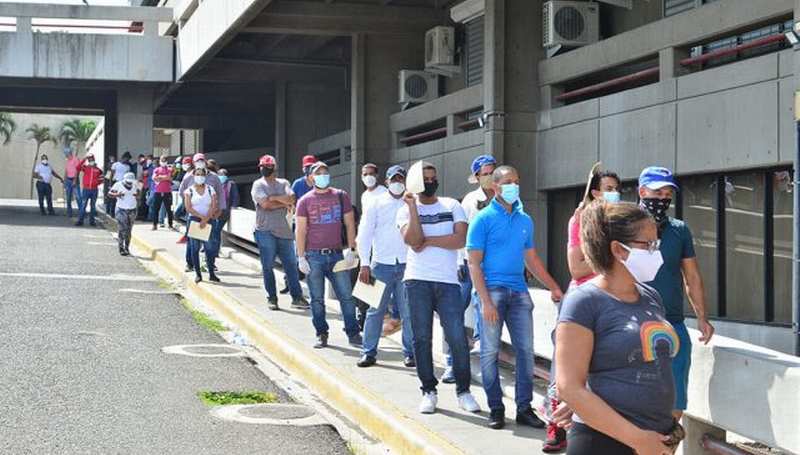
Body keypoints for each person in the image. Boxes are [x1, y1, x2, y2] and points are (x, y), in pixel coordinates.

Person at [556, 201, 683, 455]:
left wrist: (670, 428)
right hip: (604, 443)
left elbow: (658, 366)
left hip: (654, 442)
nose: (656, 252)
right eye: (648, 244)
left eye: (656, 243)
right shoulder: (584, 301)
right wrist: (639, 440)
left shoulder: (651, 296)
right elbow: (569, 386)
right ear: (618, 249)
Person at [466, 165, 563, 430]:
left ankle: (524, 408)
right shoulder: (482, 219)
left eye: (517, 181)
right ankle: (496, 408)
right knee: (489, 352)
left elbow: (531, 259)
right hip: (491, 292)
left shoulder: (525, 220)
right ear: (495, 187)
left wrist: (554, 287)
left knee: (526, 352)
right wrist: (485, 301)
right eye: (508, 181)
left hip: (519, 292)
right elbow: (474, 263)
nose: (514, 186)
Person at [544, 169, 621, 452]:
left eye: (617, 188)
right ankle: (556, 426)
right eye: (608, 187)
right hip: (583, 301)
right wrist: (612, 256)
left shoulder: (619, 222)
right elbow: (576, 267)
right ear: (595, 192)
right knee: (566, 368)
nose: (614, 192)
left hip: (613, 300)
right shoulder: (580, 219)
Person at [396, 162, 480, 415]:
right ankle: (428, 391)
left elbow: (459, 240)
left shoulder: (452, 205)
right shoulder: (405, 211)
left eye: (434, 177)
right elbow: (412, 241)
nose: (431, 182)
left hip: (448, 282)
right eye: (426, 179)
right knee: (421, 338)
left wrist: (428, 240)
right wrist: (412, 208)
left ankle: (463, 391)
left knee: (456, 337)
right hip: (417, 280)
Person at [638, 166, 714, 419]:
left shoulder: (679, 230)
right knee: (637, 401)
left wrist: (702, 317)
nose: (662, 199)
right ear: (642, 191)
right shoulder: (622, 226)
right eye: (657, 192)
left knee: (675, 402)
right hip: (632, 324)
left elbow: (692, 275)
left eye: (667, 193)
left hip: (673, 324)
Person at [441, 154, 497, 384]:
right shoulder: (468, 202)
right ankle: (451, 364)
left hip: (492, 268)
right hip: (466, 266)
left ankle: (486, 367)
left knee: (488, 315)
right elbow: (460, 234)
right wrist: (457, 263)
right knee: (453, 314)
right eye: (485, 173)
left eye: (493, 172)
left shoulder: (505, 198)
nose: (490, 177)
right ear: (476, 177)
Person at [295, 161, 362, 349]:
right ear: (311, 177)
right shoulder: (305, 201)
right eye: (318, 173)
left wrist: (352, 249)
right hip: (313, 256)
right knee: (316, 299)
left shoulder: (341, 196)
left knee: (347, 297)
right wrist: (301, 257)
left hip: (336, 255)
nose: (322, 176)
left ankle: (353, 332)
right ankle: (321, 333)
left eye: (325, 172)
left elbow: (350, 224)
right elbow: (300, 230)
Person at [356, 165, 414, 368]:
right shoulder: (376, 202)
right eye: (394, 179)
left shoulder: (412, 202)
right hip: (380, 264)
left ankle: (410, 353)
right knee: (374, 310)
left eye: (401, 179)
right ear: (387, 182)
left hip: (408, 264)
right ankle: (369, 352)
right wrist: (364, 263)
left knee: (408, 311)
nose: (397, 183)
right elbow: (364, 234)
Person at [251, 155, 309, 310]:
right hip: (264, 230)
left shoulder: (284, 183)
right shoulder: (258, 184)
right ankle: (272, 298)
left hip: (285, 232)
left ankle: (296, 297)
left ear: (274, 167)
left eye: (268, 166)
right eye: (263, 166)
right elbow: (265, 205)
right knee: (267, 266)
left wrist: (274, 198)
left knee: (291, 266)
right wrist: (281, 202)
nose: (264, 168)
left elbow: (291, 198)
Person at [179, 153, 223, 273]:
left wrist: (219, 209)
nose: (200, 163)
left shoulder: (214, 177)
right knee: (193, 243)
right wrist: (188, 205)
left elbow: (220, 193)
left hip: (210, 216)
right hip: (194, 217)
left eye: (202, 160)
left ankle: (210, 264)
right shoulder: (189, 176)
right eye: (197, 161)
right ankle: (190, 264)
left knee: (210, 242)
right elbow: (182, 192)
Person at [184, 167, 220, 283]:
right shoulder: (189, 191)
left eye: (202, 174)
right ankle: (198, 274)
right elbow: (188, 208)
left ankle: (211, 272)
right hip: (195, 220)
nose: (200, 177)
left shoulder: (210, 189)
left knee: (210, 248)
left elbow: (214, 205)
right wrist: (201, 218)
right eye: (197, 174)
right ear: (194, 176)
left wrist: (206, 218)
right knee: (195, 248)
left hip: (208, 220)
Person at [109, 172, 139, 256]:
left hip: (132, 209)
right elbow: (110, 194)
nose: (129, 183)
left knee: (129, 230)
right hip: (121, 209)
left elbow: (139, 194)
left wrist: (137, 196)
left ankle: (127, 247)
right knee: (122, 229)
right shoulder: (118, 185)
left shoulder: (136, 184)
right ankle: (121, 248)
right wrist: (117, 194)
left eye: (131, 182)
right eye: (128, 182)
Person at [75, 153, 104, 227]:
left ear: (94, 160)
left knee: (93, 206)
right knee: (83, 205)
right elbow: (77, 167)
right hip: (86, 190)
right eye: (89, 159)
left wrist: (96, 183)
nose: (91, 160)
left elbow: (102, 179)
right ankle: (80, 221)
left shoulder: (98, 170)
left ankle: (92, 221)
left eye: (92, 159)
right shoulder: (85, 168)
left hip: (94, 190)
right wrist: (84, 159)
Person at [151, 156, 175, 231]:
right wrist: (164, 177)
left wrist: (160, 177)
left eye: (164, 160)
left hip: (167, 192)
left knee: (169, 209)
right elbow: (154, 178)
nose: (163, 162)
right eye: (162, 160)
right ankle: (154, 225)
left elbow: (169, 177)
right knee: (156, 209)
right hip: (157, 192)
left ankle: (170, 225)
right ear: (160, 161)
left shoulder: (169, 169)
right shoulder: (156, 169)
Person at [107, 152, 132, 217]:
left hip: (123, 184)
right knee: (113, 198)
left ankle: (120, 213)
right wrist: (110, 185)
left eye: (128, 160)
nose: (127, 161)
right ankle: (112, 213)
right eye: (127, 159)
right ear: (123, 158)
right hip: (115, 182)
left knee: (122, 198)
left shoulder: (128, 167)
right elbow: (111, 175)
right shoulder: (115, 164)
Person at [64, 149, 82, 217]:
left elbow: (77, 170)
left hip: (74, 179)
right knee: (68, 197)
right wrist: (64, 181)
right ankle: (69, 212)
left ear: (69, 153)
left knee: (78, 197)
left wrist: (75, 180)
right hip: (68, 180)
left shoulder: (76, 159)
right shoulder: (67, 161)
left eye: (66, 154)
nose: (65, 155)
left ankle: (81, 212)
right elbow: (66, 171)